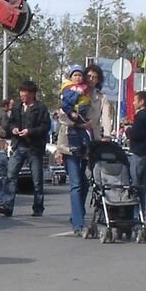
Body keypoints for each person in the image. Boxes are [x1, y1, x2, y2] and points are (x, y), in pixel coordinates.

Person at [0, 80, 51, 218]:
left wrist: (30, 131)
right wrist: (13, 129)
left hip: (34, 148)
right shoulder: (17, 107)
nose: (22, 95)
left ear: (32, 93)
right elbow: (9, 123)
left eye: (25, 92)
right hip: (19, 145)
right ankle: (7, 205)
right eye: (21, 92)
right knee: (11, 176)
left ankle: (38, 207)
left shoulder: (41, 108)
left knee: (37, 180)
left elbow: (45, 127)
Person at [54, 65, 92, 235]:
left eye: (80, 75)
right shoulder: (67, 95)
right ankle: (78, 223)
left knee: (84, 183)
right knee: (76, 183)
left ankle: (77, 213)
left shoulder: (88, 94)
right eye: (75, 75)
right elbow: (63, 119)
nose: (78, 78)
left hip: (84, 143)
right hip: (69, 143)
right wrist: (78, 122)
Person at [125, 90, 146, 220]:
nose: (133, 103)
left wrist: (129, 131)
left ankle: (135, 213)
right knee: (145, 185)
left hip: (138, 152)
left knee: (135, 184)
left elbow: (137, 134)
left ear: (141, 101)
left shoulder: (141, 116)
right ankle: (145, 212)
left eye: (135, 100)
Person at [84, 64, 114, 142]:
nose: (91, 79)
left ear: (98, 80)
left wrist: (107, 135)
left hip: (93, 134)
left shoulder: (102, 98)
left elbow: (106, 117)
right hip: (76, 132)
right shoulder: (76, 93)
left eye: (94, 77)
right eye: (89, 76)